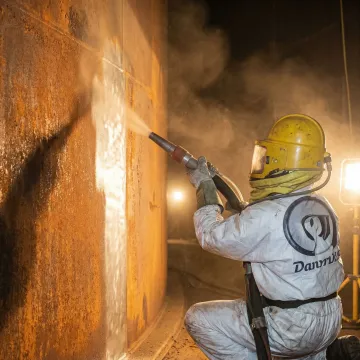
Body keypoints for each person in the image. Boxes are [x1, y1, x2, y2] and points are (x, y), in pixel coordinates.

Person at [184, 114, 345, 359]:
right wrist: (216, 178)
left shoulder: (266, 216)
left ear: (283, 159)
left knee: (199, 319)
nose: (263, 161)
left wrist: (204, 188)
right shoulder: (322, 204)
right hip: (330, 320)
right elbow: (263, 217)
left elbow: (211, 236)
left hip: (292, 327)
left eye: (268, 156)